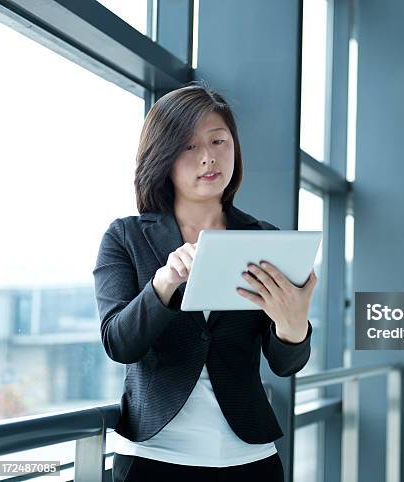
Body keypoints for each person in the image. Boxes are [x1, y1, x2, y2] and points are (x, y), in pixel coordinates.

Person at [92, 82, 318, 482]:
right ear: (162, 155)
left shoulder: (265, 240)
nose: (208, 157)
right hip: (152, 457)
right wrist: (164, 284)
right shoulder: (125, 237)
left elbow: (286, 366)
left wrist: (293, 326)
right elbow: (119, 343)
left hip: (248, 457)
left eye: (219, 141)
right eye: (188, 146)